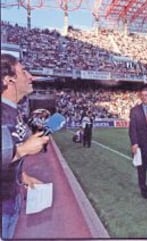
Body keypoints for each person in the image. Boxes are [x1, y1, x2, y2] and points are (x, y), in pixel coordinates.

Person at [1, 53, 50, 239]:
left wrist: (22, 176)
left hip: (12, 197)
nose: (31, 77)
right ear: (8, 80)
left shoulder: (14, 111)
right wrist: (23, 149)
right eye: (24, 72)